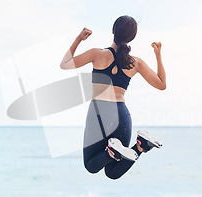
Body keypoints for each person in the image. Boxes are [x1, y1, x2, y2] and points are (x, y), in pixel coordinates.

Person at [60, 15, 166, 180]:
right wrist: (158, 55)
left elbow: (65, 64)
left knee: (91, 165)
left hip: (100, 114)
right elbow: (161, 84)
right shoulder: (135, 62)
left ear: (112, 31)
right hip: (122, 116)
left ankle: (112, 152)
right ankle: (140, 146)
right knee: (113, 172)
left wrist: (79, 39)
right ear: (132, 37)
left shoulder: (97, 54)